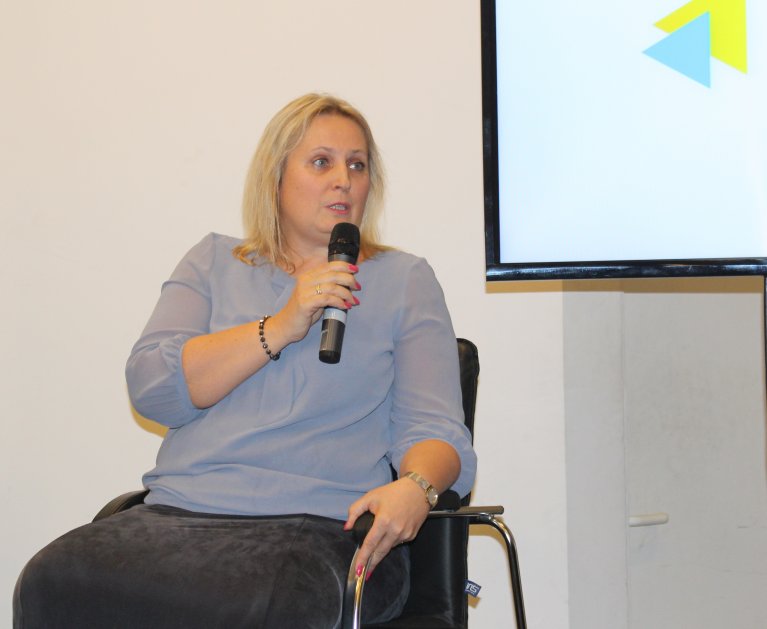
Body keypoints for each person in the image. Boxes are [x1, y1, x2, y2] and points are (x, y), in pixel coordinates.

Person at [13, 93, 477, 628]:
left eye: (357, 165)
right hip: (178, 513)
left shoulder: (404, 280)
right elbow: (152, 387)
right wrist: (280, 325)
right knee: (52, 578)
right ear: (275, 176)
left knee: (271, 604)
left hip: (324, 528)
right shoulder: (212, 261)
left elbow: (436, 430)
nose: (344, 181)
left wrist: (416, 486)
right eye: (321, 162)